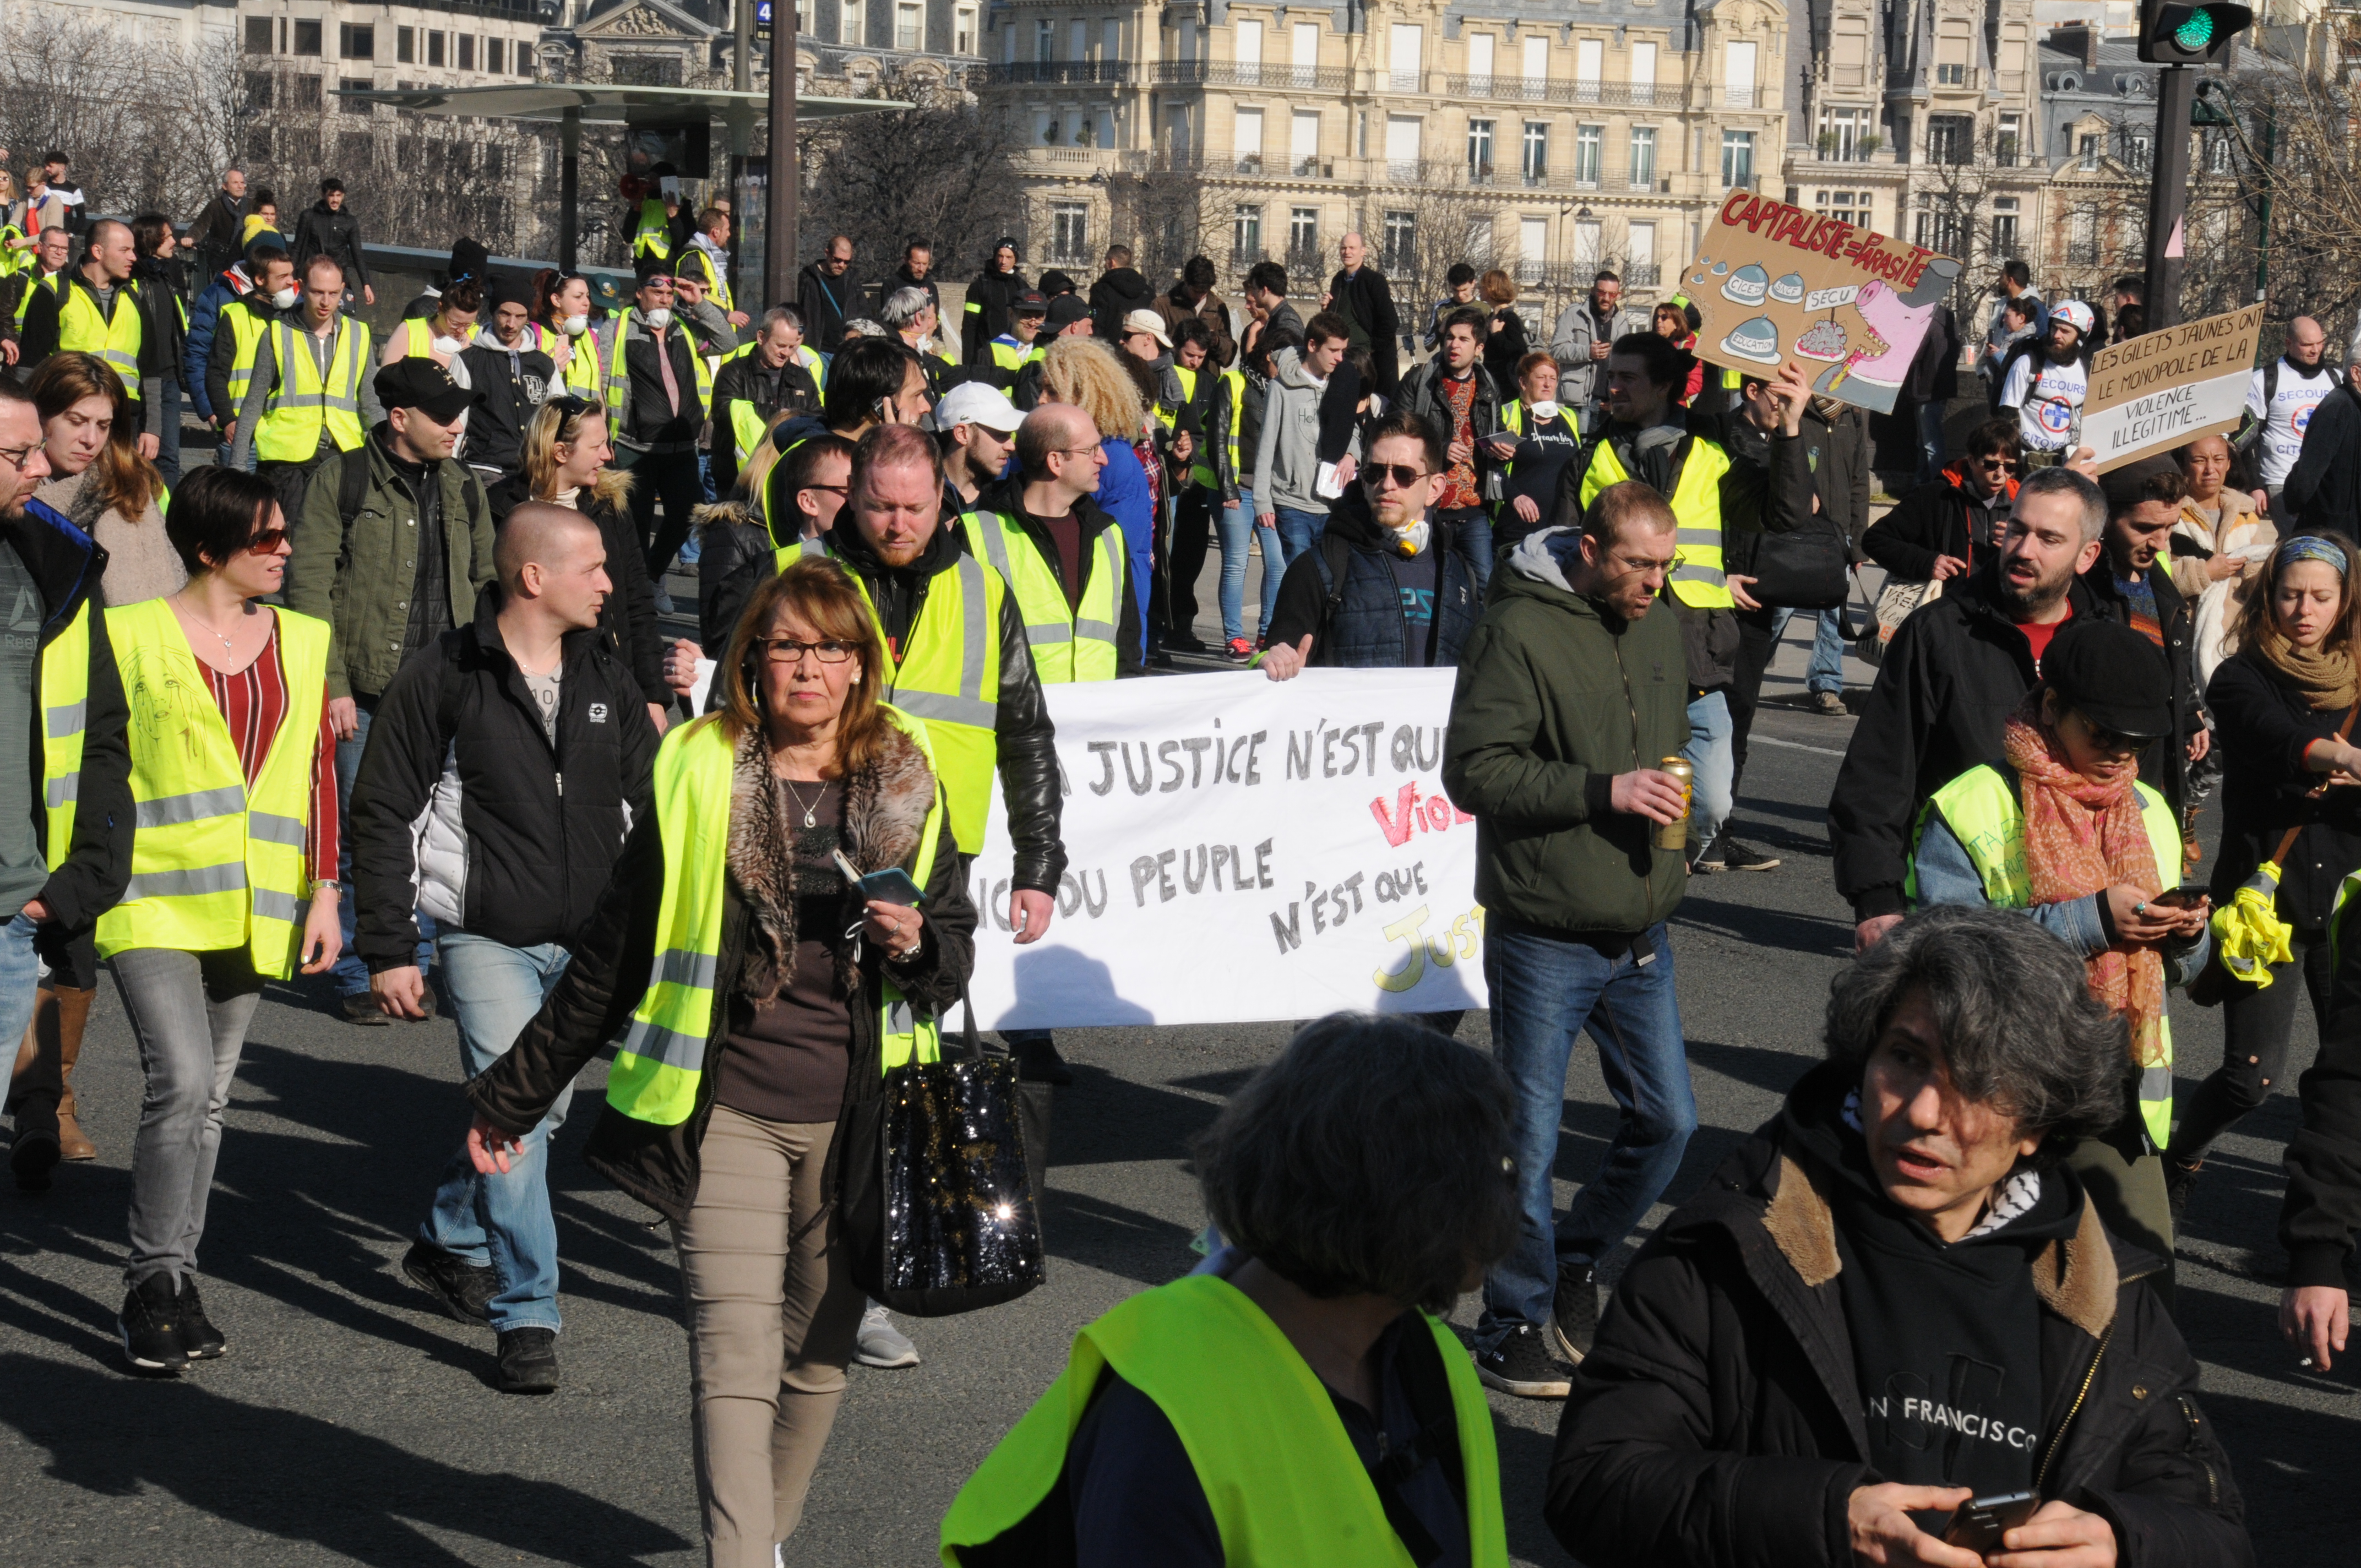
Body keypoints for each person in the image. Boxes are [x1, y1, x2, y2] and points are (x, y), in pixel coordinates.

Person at [463, 557, 976, 1564]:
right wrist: (514, 1095)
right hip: (725, 1102)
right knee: (733, 1353)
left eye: (831, 647)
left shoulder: (909, 767)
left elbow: (952, 949)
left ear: (863, 664)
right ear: (752, 657)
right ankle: (739, 1555)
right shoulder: (699, 762)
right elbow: (613, 949)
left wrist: (915, 939)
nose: (808, 668)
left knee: (820, 1351)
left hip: (861, 1110)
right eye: (786, 644)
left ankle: (760, 1534)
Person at [1547, 905, 2255, 1568]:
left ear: (2039, 1125)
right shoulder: (1737, 1242)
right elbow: (1593, 1481)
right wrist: (1824, 1520)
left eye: (1977, 1084)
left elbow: (2216, 1532)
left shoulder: (2106, 1295)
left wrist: (2122, 1541)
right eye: (1907, 1058)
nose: (1922, 1111)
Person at [940, 1015, 1520, 1566]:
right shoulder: (1164, 1420)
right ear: (1412, 1210)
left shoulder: (1425, 1348)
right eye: (1496, 1169)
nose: (1511, 1198)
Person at [351, 502, 658, 1392]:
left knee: (536, 1110)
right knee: (521, 1122)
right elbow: (383, 809)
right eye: (594, 567)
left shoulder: (606, 673)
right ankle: (527, 1312)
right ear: (534, 577)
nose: (611, 582)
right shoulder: (445, 671)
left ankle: (448, 1236)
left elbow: (666, 806)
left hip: (595, 946)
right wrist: (390, 946)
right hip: (487, 937)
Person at [1440, 482, 1697, 1398]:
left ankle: (1576, 1265)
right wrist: (1605, 790)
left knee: (1669, 1122)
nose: (1653, 585)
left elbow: (1666, 726)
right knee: (1529, 1141)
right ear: (1589, 549)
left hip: (1638, 920)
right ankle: (1508, 1323)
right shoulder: (1515, 627)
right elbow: (1473, 771)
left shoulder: (1658, 619)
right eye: (1636, 564)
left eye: (1666, 566)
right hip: (1543, 925)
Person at [103, 466, 344, 1372]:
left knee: (211, 1097)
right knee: (182, 1079)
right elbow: (89, 759)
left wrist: (326, 889)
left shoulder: (304, 640)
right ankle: (151, 1282)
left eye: (284, 534)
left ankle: (179, 1271)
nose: (284, 549)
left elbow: (317, 771)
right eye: (265, 538)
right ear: (210, 549)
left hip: (255, 901)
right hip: (151, 893)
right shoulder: (128, 635)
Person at [1905, 618, 2211, 1302]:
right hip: (1995, 1098)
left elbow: (2187, 971)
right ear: (2049, 708)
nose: (2118, 754)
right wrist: (2092, 921)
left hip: (2115, 1100)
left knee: (2139, 1302)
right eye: (2102, 733)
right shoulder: (1974, 802)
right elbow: (1943, 951)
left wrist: (2186, 935)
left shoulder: (2150, 809)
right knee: (1984, 1301)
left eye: (2136, 741)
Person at [285, 360, 498, 1024]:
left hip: (448, 691)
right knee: (364, 830)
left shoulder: (465, 485)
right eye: (443, 414)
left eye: (459, 412)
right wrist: (334, 685)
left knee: (437, 831)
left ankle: (417, 960)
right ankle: (359, 968)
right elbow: (308, 588)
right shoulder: (342, 477)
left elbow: (488, 582)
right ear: (399, 418)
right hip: (368, 693)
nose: (456, 426)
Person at [1551, 333, 1814, 868]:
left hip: (1696, 650)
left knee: (1713, 799)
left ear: (1666, 385)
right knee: (1621, 801)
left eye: (1628, 377)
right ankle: (1632, 888)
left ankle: (1695, 843)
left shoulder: (1710, 450)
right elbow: (1559, 557)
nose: (1612, 386)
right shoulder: (1590, 456)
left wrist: (1789, 427)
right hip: (1613, 648)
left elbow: (1785, 514)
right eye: (1611, 375)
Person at [1834, 467, 2108, 950]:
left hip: (2083, 914)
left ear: (2087, 555)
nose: (2024, 550)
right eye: (2018, 530)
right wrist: (1877, 903)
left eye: (2049, 539)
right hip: (1957, 906)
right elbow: (1879, 773)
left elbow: (2138, 783)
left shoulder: (2107, 645)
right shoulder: (1937, 633)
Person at [2169, 536, 2361, 1212]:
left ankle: (2322, 1214)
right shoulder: (2238, 674)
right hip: (2263, 904)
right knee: (2251, 1079)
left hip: (2345, 904)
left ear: (2345, 602)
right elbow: (2270, 735)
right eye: (2289, 594)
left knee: (2348, 1082)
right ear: (2267, 596)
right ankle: (2181, 1155)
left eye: (2320, 596)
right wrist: (2336, 757)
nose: (2302, 610)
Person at [1, 377, 133, 1196]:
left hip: (15, 897)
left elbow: (98, 729)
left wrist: (80, 869)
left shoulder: (54, 560)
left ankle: (46, 1101)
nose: (39, 468)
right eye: (18, 454)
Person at [1713, 376, 1872, 874]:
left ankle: (1717, 831)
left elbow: (1802, 504)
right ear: (1753, 390)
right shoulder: (1725, 441)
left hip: (1757, 596)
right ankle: (1694, 829)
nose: (1790, 411)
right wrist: (1716, 576)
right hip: (1715, 596)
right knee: (1704, 721)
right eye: (1782, 400)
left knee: (1736, 720)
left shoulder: (1780, 438)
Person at [488, 397, 676, 733]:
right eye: (598, 446)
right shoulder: (500, 510)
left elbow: (638, 605)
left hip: (608, 688)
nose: (608, 455)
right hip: (523, 692)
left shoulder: (611, 508)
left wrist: (653, 696)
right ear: (561, 452)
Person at [1259, 406, 1476, 679]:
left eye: (1404, 474)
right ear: (1363, 482)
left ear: (1434, 488)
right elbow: (1270, 660)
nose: (1387, 484)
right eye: (1375, 472)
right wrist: (1272, 661)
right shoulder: (1320, 567)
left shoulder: (1459, 573)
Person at [2081, 458, 2208, 832]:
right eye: (2146, 528)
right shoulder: (2082, 585)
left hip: (2152, 753)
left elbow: (2168, 648)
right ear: (2104, 519)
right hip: (2100, 756)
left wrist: (2188, 710)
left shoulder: (2155, 575)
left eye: (2170, 527)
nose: (2161, 542)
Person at [229, 255, 383, 520]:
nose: (326, 302)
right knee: (292, 541)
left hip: (342, 456)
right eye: (317, 292)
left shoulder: (359, 335)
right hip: (286, 462)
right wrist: (238, 467)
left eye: (334, 293)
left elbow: (370, 403)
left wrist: (389, 454)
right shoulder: (277, 333)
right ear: (301, 287)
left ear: (343, 289)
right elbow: (253, 403)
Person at [1032, 335, 1155, 663]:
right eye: (1042, 389)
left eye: (1053, 392)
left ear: (1087, 396)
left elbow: (1114, 556)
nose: (1041, 400)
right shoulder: (1034, 452)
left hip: (1107, 631)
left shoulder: (1115, 462)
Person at [607, 257, 726, 592]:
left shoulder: (684, 327)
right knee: (637, 522)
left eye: (670, 292)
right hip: (635, 446)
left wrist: (698, 302)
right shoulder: (618, 329)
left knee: (688, 514)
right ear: (639, 294)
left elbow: (726, 341)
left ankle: (652, 575)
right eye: (656, 290)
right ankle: (636, 592)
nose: (664, 298)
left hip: (680, 445)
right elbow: (604, 381)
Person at [31, 354, 181, 608]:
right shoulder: (12, 493)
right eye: (77, 422)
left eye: (103, 426)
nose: (91, 439)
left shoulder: (133, 484)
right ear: (38, 416)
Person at [20, 219, 161, 461]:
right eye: (125, 250)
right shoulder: (54, 290)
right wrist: (26, 424)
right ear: (98, 251)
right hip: (69, 417)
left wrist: (153, 428)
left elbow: (150, 368)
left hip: (123, 421)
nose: (133, 258)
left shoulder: (136, 297)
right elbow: (29, 366)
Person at [1396, 305, 1503, 594]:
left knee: (1483, 587)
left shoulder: (1489, 387)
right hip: (1429, 506)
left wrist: (1501, 452)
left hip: (1474, 508)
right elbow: (1397, 434)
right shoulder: (1421, 381)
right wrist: (1440, 449)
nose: (1454, 345)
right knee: (1423, 586)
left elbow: (1492, 435)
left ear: (1479, 348)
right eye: (1450, 338)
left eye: (1464, 339)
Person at [1862, 414, 2022, 600]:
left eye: (2010, 467)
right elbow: (1875, 540)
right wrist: (1928, 563)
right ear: (1971, 460)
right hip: (1945, 613)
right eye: (1991, 464)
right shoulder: (1936, 496)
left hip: (1999, 614)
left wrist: (2018, 545)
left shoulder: (2022, 505)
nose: (2000, 474)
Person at [1253, 312, 1357, 577]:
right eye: (1333, 350)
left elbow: (1352, 429)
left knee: (1328, 578)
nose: (1339, 358)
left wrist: (1352, 455)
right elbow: (1266, 447)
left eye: (1343, 351)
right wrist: (1262, 501)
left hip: (1330, 502)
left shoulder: (1340, 382)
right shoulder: (1281, 389)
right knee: (1302, 576)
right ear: (1312, 345)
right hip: (1291, 503)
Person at [2172, 433, 2274, 694]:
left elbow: (2259, 569)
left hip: (2234, 635)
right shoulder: (2170, 513)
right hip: (2183, 634)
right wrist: (2204, 573)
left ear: (2229, 464)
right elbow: (2158, 574)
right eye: (2199, 460)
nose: (2210, 469)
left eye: (2218, 459)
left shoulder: (2244, 512)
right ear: (2185, 465)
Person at [1217, 326, 1292, 662]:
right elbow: (1218, 439)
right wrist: (1227, 488)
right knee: (1236, 562)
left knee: (1277, 563)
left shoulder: (1284, 389)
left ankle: (1267, 633)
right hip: (1236, 488)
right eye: (1286, 359)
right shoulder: (1233, 383)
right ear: (1268, 357)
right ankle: (1234, 637)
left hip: (1268, 491)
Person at [1480, 350, 1581, 558]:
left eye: (1553, 378)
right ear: (1523, 382)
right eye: (1541, 377)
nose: (1548, 384)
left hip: (1557, 529)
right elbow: (1490, 468)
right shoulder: (1507, 415)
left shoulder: (1569, 417)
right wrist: (1515, 496)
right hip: (1514, 528)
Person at [711, 307, 822, 496]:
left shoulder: (802, 377)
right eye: (780, 346)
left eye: (791, 347)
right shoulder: (734, 372)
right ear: (761, 337)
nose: (786, 353)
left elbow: (818, 417)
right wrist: (778, 416)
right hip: (739, 477)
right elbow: (723, 411)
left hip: (786, 476)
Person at [454, 274, 554, 483]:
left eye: (520, 316)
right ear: (492, 313)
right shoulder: (468, 361)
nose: (511, 324)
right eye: (505, 314)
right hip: (483, 469)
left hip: (532, 472)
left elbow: (556, 420)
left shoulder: (544, 364)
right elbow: (454, 421)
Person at [2240, 317, 2338, 518]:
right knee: (2296, 542)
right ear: (2289, 344)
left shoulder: (2336, 379)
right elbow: (2246, 437)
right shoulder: (2264, 381)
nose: (2316, 350)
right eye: (2307, 345)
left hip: (2326, 481)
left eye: (2320, 343)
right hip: (2280, 481)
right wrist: (2255, 485)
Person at [184, 238, 277, 435]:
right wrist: (213, 413)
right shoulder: (219, 297)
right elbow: (198, 355)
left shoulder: (294, 306)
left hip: (278, 429)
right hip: (233, 422)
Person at [125, 214, 186, 488]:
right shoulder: (131, 280)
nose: (174, 241)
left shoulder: (167, 275)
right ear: (151, 239)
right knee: (139, 455)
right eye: (167, 235)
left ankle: (166, 525)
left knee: (169, 458)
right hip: (143, 382)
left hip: (170, 379)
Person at [1998, 299, 2095, 465]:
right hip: (2026, 460)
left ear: (2080, 337)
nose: (2057, 335)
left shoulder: (2087, 372)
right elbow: (2008, 415)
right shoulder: (2028, 364)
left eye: (2065, 331)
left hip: (2065, 462)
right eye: (2055, 328)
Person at [1548, 270, 1647, 432]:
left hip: (1606, 405)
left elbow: (1625, 363)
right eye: (1602, 292)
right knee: (1576, 451)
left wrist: (1616, 398)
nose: (1606, 298)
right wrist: (1587, 352)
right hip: (1576, 402)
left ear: (1619, 295)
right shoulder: (1574, 314)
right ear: (1593, 291)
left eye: (1612, 294)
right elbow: (1556, 350)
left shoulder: (1622, 323)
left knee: (1597, 450)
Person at [1323, 232, 1399, 399]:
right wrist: (1327, 310)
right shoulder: (1338, 280)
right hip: (1344, 359)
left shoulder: (1374, 281)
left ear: (1363, 251)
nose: (1347, 252)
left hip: (1369, 364)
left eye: (1352, 248)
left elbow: (1390, 322)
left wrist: (1371, 350)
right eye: (1343, 248)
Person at [1901, 298, 1962, 487]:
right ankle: (1922, 485)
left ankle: (1936, 487)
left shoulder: (1926, 321)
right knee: (1927, 442)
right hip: (1940, 386)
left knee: (1929, 444)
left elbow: (1913, 353)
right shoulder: (1948, 319)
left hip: (1925, 386)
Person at [290, 178, 374, 311]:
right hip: (312, 277)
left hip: (337, 278)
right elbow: (297, 248)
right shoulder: (309, 217)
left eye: (339, 195)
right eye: (331, 195)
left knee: (337, 317)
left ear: (343, 196)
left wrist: (366, 285)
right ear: (324, 196)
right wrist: (291, 275)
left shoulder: (349, 222)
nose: (335, 200)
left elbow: (358, 255)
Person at [938, 379, 1021, 512]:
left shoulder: (1014, 491)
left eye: (1010, 434)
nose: (1011, 446)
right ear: (963, 434)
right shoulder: (919, 496)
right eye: (1000, 434)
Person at [1153, 253, 1236, 369]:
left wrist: (1217, 342)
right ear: (1186, 282)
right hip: (1173, 375)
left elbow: (1229, 357)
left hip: (1207, 380)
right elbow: (1152, 348)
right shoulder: (1163, 305)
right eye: (1196, 291)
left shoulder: (1217, 308)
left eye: (1205, 291)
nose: (1200, 297)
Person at [380, 276, 481, 367]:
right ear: (440, 308)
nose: (461, 330)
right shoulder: (409, 331)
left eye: (468, 324)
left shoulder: (478, 336)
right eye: (455, 323)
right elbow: (387, 380)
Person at [961, 237, 1029, 368]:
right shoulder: (980, 286)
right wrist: (968, 365)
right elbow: (969, 326)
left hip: (1014, 357)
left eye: (1009, 257)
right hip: (986, 358)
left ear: (1016, 260)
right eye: (1000, 256)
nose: (1003, 261)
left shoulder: (1023, 288)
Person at [538, 271, 606, 399]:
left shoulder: (590, 337)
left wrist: (602, 416)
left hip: (587, 417)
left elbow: (598, 391)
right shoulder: (535, 334)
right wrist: (549, 369)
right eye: (578, 297)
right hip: (552, 416)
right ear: (556, 300)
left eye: (587, 296)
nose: (587, 302)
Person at [676, 208, 747, 328]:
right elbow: (694, 298)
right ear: (716, 232)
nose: (729, 234)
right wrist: (727, 315)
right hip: (702, 332)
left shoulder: (709, 255)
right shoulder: (693, 257)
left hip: (714, 328)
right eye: (727, 230)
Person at [184, 167, 251, 284]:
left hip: (246, 261)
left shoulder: (253, 206)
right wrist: (191, 238)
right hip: (221, 261)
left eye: (242, 183)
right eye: (235, 183)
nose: (240, 186)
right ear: (225, 186)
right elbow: (200, 225)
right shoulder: (215, 206)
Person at [797, 233, 860, 353]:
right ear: (827, 253)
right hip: (818, 349)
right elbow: (797, 310)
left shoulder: (852, 279)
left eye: (847, 262)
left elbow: (863, 311)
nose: (841, 265)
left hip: (846, 350)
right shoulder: (808, 277)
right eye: (837, 260)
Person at [1087, 243, 1155, 347]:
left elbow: (1097, 325)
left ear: (1111, 262)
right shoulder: (1147, 291)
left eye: (1106, 261)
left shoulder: (1101, 289)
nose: (1105, 265)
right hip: (1140, 350)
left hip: (1108, 352)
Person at [1477, 269, 1528, 391]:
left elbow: (1520, 352)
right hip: (1491, 381)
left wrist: (1498, 335)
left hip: (1506, 386)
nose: (1479, 289)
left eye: (1482, 286)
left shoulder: (1509, 318)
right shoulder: (1491, 317)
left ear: (1491, 288)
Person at [1241, 259, 1303, 347]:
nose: (1254, 294)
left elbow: (1288, 357)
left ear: (1264, 291)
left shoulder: (1286, 319)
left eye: (1255, 289)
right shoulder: (1276, 317)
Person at [1423, 261, 1478, 352]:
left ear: (1473, 284)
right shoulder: (1441, 307)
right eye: (1455, 290)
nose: (1460, 295)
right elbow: (1428, 345)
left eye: (1464, 290)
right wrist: (1440, 330)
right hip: (1446, 361)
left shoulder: (1485, 308)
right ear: (1450, 286)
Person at [889, 238, 941, 332]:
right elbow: (891, 321)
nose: (921, 269)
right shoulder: (893, 284)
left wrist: (940, 345)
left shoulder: (931, 287)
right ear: (906, 260)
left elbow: (936, 320)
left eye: (925, 264)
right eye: (917, 263)